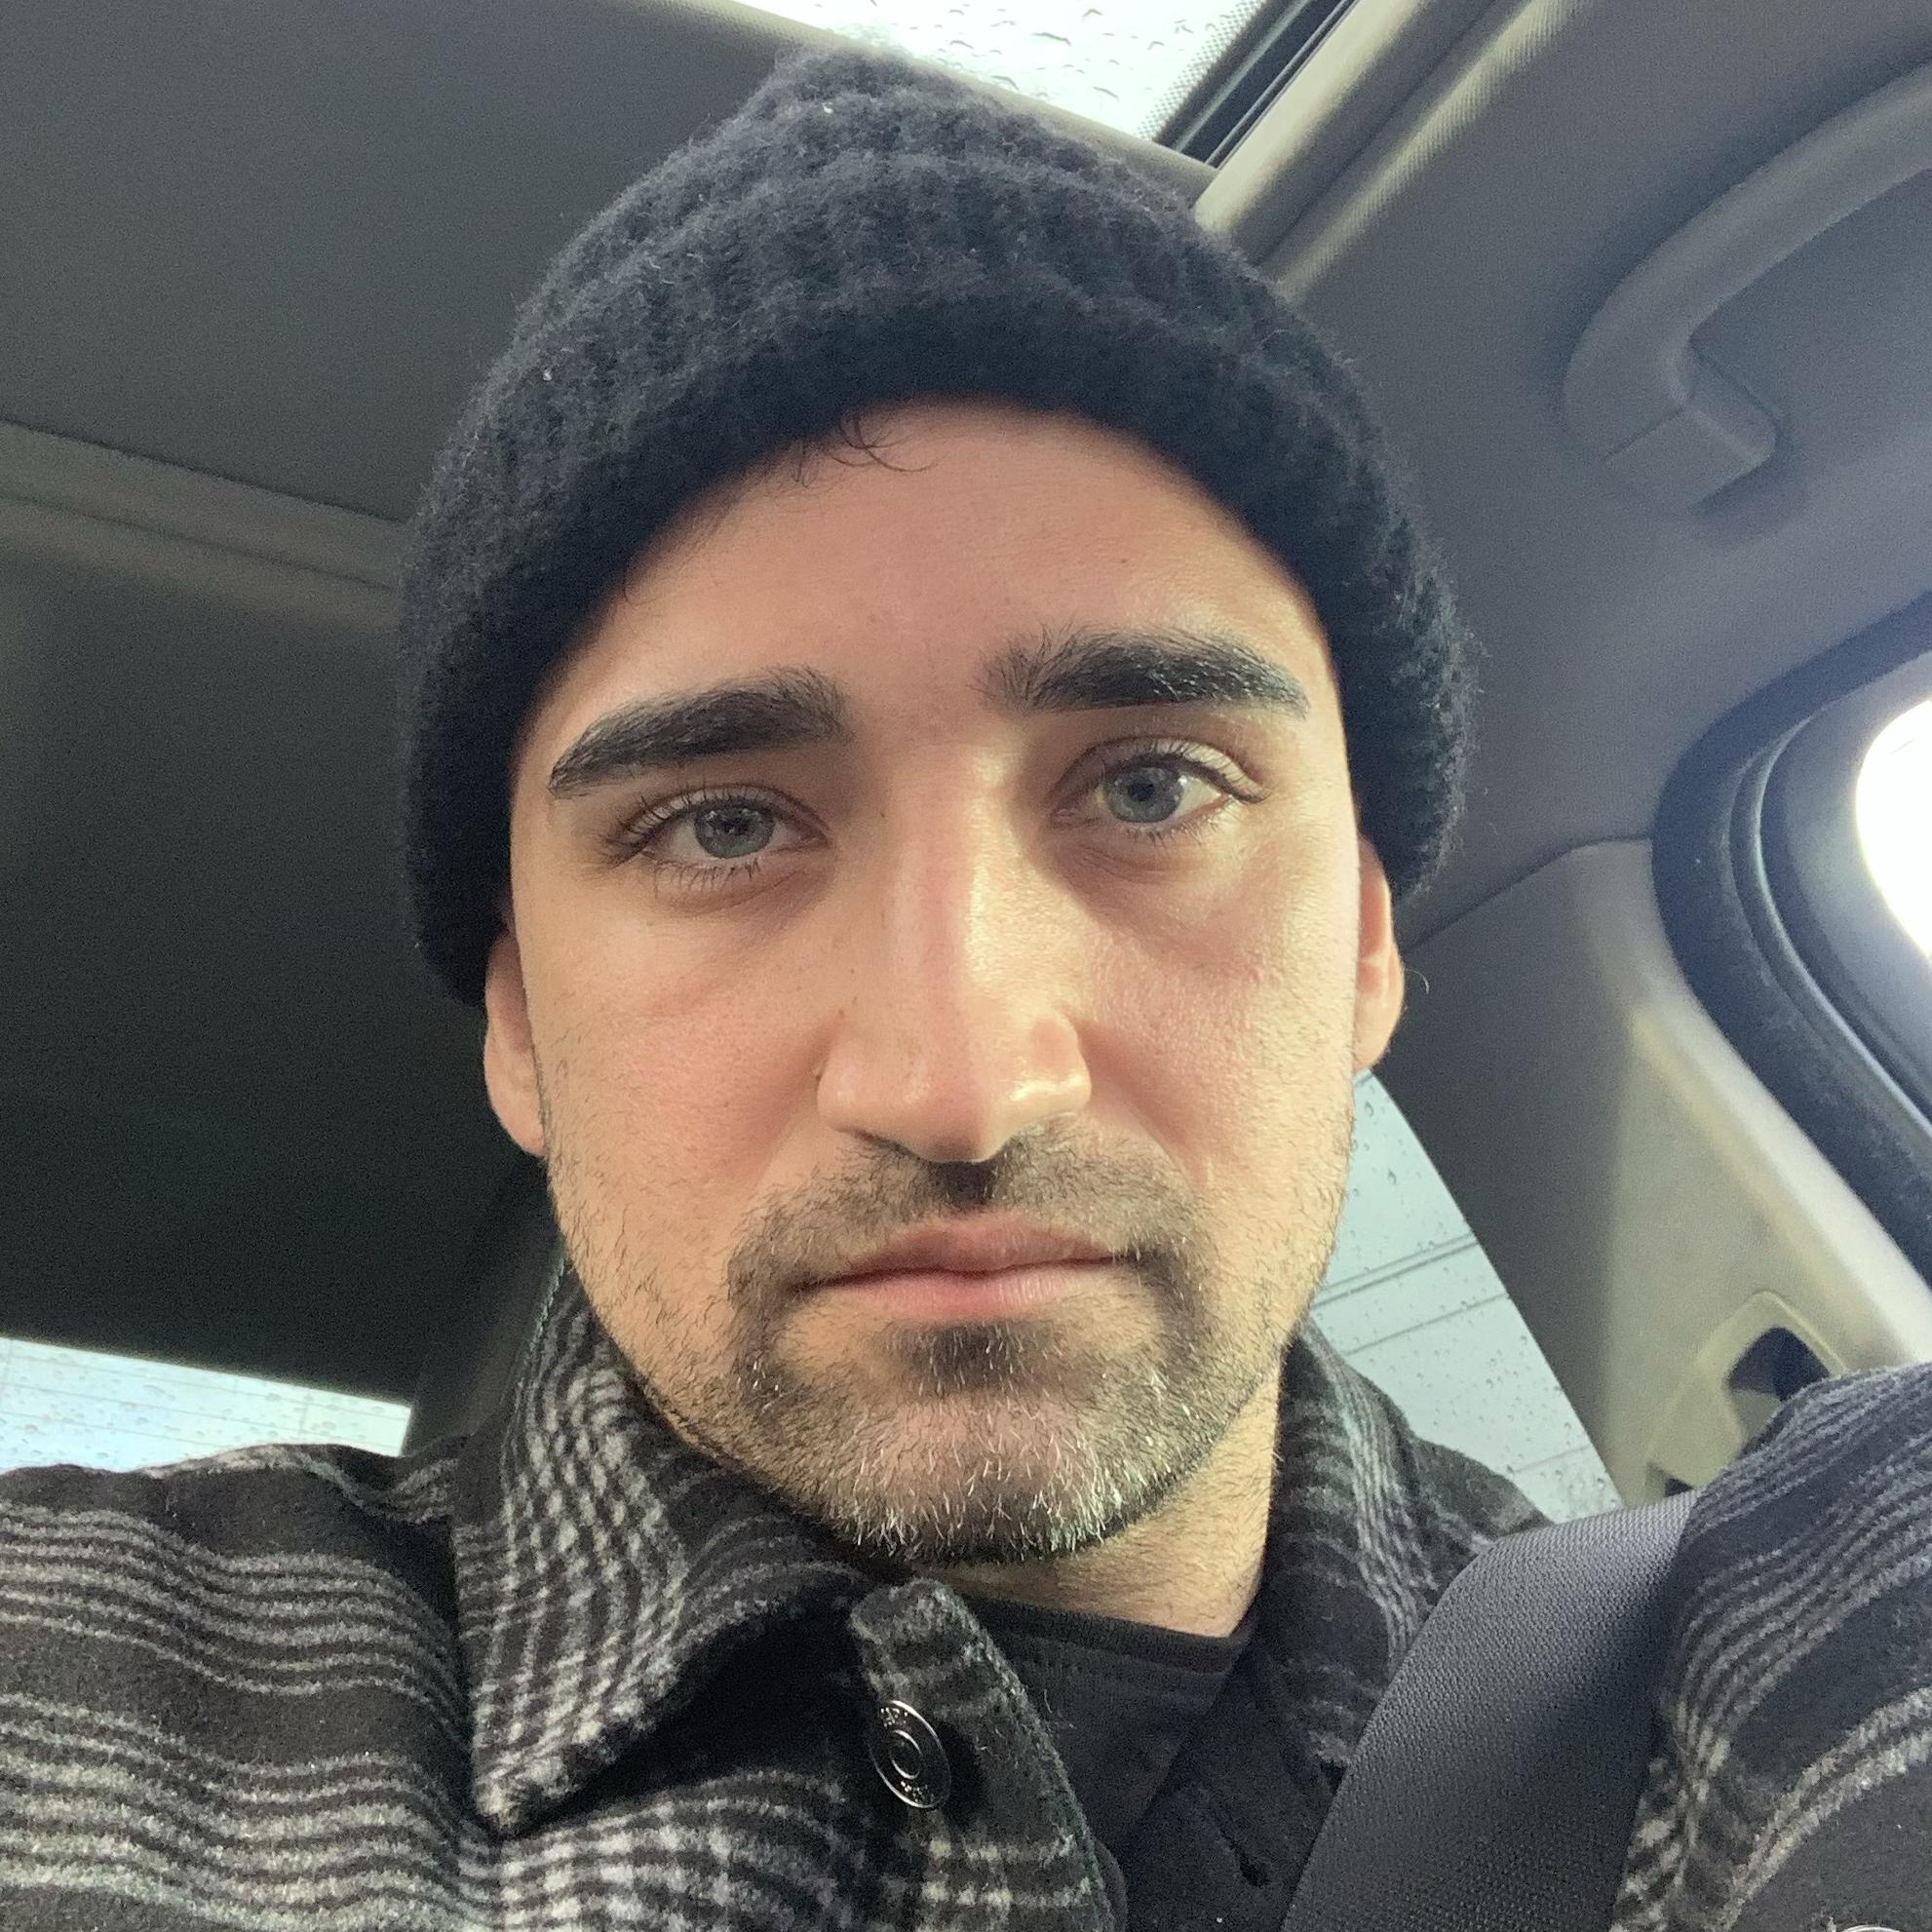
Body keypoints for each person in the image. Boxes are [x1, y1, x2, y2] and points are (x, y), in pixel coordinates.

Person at [1, 44, 1927, 1932]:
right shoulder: (74, 1686)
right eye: (722, 824)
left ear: (1360, 943)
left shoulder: (1802, 1636)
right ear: (515, 1023)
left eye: (1152, 786)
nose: (963, 1080)